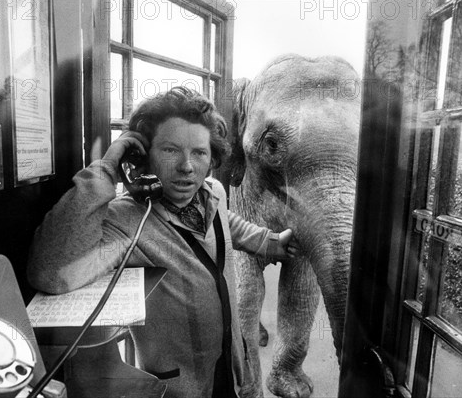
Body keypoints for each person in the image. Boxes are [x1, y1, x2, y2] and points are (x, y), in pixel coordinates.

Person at [27, 86, 298, 398]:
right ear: (143, 157)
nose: (187, 166)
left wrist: (267, 241)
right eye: (170, 150)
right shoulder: (127, 221)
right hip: (180, 386)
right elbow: (50, 271)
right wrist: (107, 168)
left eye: (199, 152)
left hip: (234, 367)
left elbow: (225, 225)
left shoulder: (214, 194)